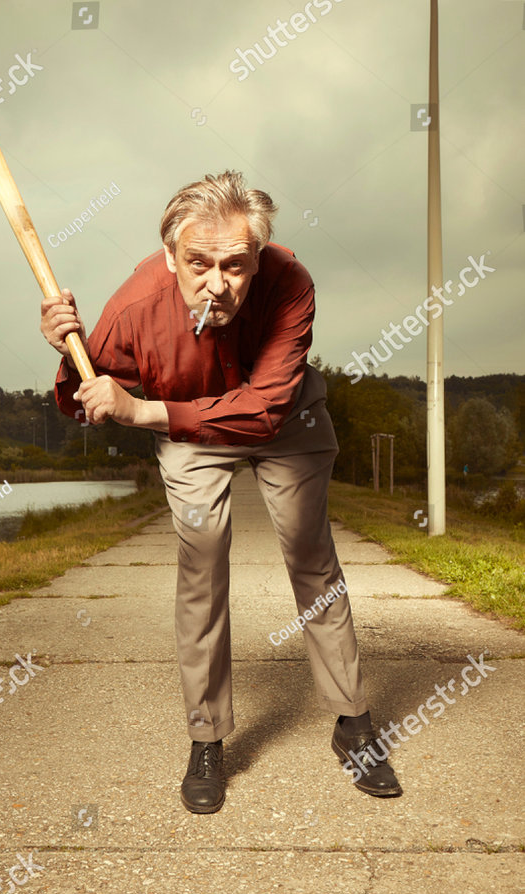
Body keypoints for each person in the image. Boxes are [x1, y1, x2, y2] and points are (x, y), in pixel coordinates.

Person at [40, 170, 402, 814]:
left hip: (285, 421)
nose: (216, 282)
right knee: (202, 556)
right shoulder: (132, 311)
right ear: (171, 255)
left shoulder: (291, 283)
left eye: (235, 265)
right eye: (198, 263)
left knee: (310, 556)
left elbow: (264, 409)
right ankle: (207, 737)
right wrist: (71, 358)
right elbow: (84, 404)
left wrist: (145, 413)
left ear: (258, 258)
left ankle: (353, 724)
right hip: (191, 432)